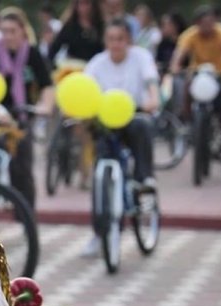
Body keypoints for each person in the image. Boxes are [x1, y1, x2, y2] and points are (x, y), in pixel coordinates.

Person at [81, 19, 158, 256]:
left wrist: (152, 100)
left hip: (133, 115)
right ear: (106, 41)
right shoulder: (97, 63)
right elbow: (84, 91)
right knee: (100, 176)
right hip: (105, 121)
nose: (116, 44)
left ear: (129, 40)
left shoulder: (141, 58)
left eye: (120, 39)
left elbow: (152, 86)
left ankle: (145, 178)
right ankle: (99, 233)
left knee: (142, 125)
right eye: (111, 39)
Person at [0, 10, 54, 208]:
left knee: (22, 167)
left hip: (21, 115)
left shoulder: (32, 54)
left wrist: (44, 106)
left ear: (23, 31)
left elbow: (47, 85)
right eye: (4, 31)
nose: (8, 36)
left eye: (13, 31)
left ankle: (27, 216)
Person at [170, 5, 221, 153]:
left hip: (219, 75)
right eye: (204, 22)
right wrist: (175, 67)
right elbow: (179, 55)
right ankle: (187, 122)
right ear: (197, 23)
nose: (208, 26)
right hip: (197, 74)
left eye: (211, 22)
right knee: (186, 86)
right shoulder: (190, 35)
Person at [49, 0, 105, 65]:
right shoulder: (69, 27)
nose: (84, 8)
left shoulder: (100, 26)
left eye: (87, 3)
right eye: (81, 4)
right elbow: (54, 49)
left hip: (95, 67)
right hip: (75, 68)